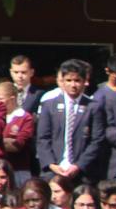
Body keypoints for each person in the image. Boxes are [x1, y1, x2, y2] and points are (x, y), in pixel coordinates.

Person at [35, 59, 105, 187]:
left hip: (83, 173)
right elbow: (43, 138)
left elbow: (97, 140)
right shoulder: (49, 105)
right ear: (62, 81)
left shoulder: (93, 107)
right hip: (53, 170)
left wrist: (78, 166)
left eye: (77, 80)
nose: (73, 85)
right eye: (69, 80)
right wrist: (51, 164)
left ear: (84, 81)